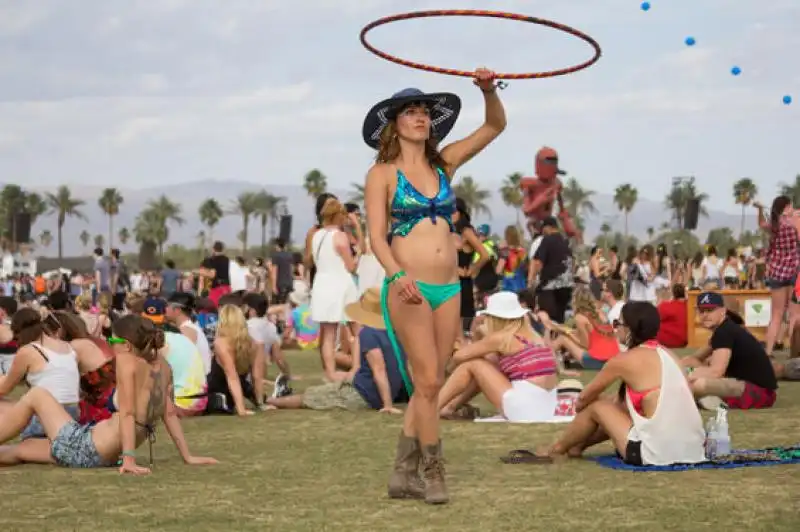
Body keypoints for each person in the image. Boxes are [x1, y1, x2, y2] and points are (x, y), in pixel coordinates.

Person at [363, 69, 506, 504]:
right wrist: (396, 275)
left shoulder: (444, 164)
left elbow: (495, 126)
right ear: (396, 124)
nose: (421, 116)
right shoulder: (382, 174)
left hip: (450, 289)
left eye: (425, 110)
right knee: (427, 380)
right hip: (409, 287)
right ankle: (433, 470)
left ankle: (401, 474)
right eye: (411, 111)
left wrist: (487, 90)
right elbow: (375, 236)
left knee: (432, 382)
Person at [0, 314, 216, 472]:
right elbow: (169, 415)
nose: (110, 346)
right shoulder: (163, 367)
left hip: (86, 446)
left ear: (128, 345)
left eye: (112, 341)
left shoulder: (126, 361)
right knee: (21, 450)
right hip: (100, 454)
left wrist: (129, 459)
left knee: (37, 394)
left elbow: (128, 414)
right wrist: (187, 456)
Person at [529, 302, 705, 466]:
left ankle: (557, 449)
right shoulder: (671, 356)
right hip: (693, 449)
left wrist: (586, 406)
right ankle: (576, 446)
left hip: (656, 454)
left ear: (629, 329)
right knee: (614, 405)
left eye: (617, 324)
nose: (614, 330)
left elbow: (583, 400)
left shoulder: (624, 360)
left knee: (597, 406)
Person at [267, 289, 410, 413]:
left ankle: (270, 401)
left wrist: (387, 405)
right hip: (384, 391)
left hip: (365, 394)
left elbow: (379, 369)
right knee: (329, 388)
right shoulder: (397, 332)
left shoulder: (369, 333)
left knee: (310, 396)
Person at [438, 291, 559, 422]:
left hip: (524, 408)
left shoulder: (501, 339)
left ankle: (432, 407)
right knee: (486, 365)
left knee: (473, 364)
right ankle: (449, 407)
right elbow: (492, 363)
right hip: (546, 407)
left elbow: (459, 357)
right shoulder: (534, 336)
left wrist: (462, 342)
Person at [682, 292, 778, 410]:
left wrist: (684, 376)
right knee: (691, 376)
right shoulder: (724, 329)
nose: (705, 315)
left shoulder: (725, 332)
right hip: (752, 388)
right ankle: (708, 398)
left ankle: (713, 400)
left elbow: (716, 372)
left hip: (757, 392)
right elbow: (692, 359)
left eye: (710, 310)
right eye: (702, 311)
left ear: (723, 311)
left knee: (695, 384)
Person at [529, 217, 574, 323]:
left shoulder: (547, 240)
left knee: (547, 319)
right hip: (566, 287)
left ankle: (549, 338)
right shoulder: (565, 242)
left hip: (550, 287)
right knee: (560, 319)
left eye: (543, 228)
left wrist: (532, 280)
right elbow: (572, 263)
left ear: (547, 227)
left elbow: (537, 262)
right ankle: (559, 338)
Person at [196, 241, 231, 307]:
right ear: (222, 249)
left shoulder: (213, 260)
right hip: (227, 287)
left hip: (216, 288)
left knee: (214, 308)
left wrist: (198, 272)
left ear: (213, 249)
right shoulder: (227, 260)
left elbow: (212, 275)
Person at [656, 283, 688, 348]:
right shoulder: (689, 306)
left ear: (673, 294)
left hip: (667, 340)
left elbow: (654, 318)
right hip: (683, 340)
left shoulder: (665, 306)